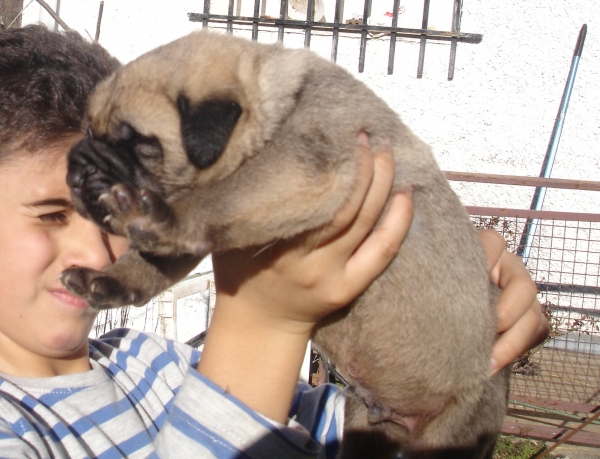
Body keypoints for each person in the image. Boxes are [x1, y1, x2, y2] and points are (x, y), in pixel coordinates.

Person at [0, 25, 548, 458]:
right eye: (50, 215)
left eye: (114, 222)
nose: (97, 254)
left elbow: (353, 430)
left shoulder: (155, 365)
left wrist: (468, 313)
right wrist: (263, 323)